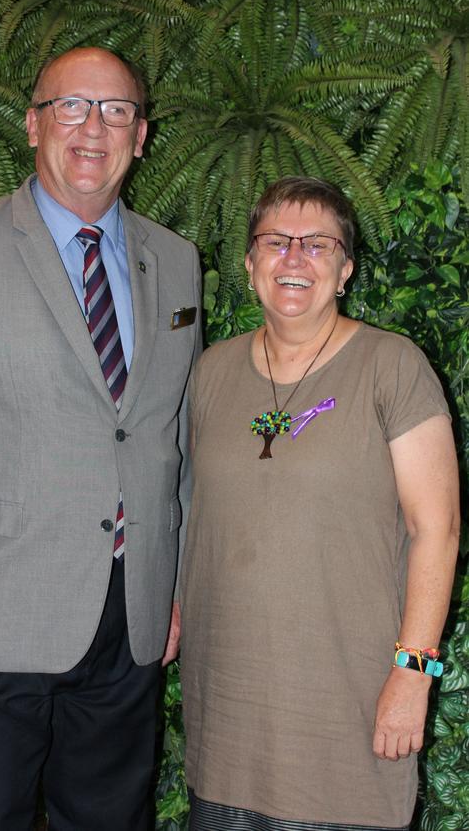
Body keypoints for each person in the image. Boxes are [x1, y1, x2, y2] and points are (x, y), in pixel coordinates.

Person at [0, 46, 201, 831]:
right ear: (32, 123)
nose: (94, 127)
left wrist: (176, 583)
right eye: (71, 106)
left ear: (142, 134)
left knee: (114, 819)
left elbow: (174, 438)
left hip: (132, 616)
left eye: (116, 109)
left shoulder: (177, 261)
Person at [179, 177, 459, 831]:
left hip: (347, 716)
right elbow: (195, 516)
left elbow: (437, 529)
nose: (295, 257)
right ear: (250, 265)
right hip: (228, 718)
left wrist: (414, 672)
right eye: (276, 240)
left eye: (318, 244)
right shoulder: (210, 373)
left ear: (345, 271)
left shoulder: (392, 367)